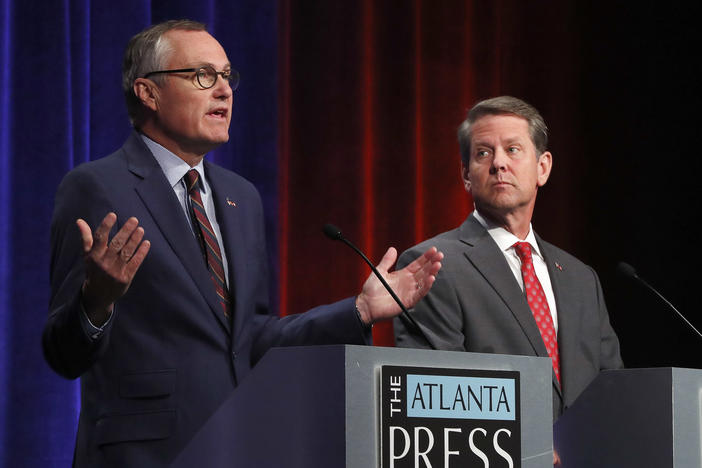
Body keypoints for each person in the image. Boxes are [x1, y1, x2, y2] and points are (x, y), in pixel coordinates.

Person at [43, 20, 443, 467]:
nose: (224, 91)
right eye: (202, 76)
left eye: (227, 76)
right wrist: (95, 301)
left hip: (240, 446)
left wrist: (359, 310)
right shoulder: (97, 187)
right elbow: (62, 353)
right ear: (148, 92)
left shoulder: (240, 198)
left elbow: (250, 338)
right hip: (145, 454)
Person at [394, 96, 623, 423]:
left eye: (513, 149)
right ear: (466, 175)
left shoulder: (580, 277)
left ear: (542, 167)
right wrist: (531, 445)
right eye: (483, 153)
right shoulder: (434, 266)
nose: (498, 163)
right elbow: (437, 395)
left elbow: (611, 384)